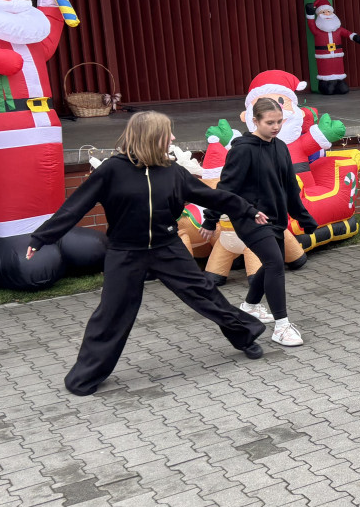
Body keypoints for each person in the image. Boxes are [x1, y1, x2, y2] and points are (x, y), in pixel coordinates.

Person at [28, 112, 269, 396]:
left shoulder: (172, 170)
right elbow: (75, 206)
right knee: (112, 313)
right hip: (125, 252)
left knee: (205, 294)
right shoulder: (112, 170)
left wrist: (247, 209)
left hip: (167, 247)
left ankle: (245, 334)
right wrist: (42, 237)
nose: (173, 138)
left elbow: (212, 196)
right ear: (151, 137)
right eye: (168, 133)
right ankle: (85, 376)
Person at [198, 98, 317, 347]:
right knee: (275, 262)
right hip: (249, 218)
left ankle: (250, 306)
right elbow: (226, 188)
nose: (276, 127)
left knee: (272, 262)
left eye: (279, 122)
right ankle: (281, 327)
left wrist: (304, 217)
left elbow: (290, 187)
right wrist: (210, 219)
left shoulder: (280, 147)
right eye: (269, 122)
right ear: (255, 121)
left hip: (275, 217)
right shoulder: (242, 150)